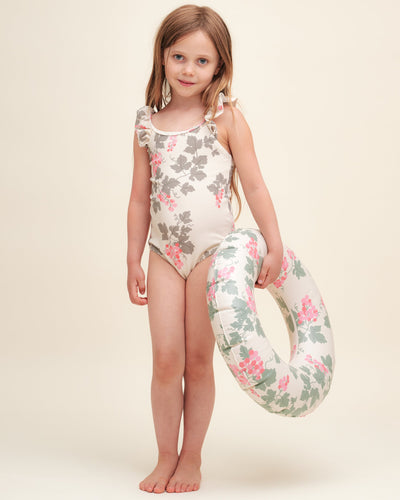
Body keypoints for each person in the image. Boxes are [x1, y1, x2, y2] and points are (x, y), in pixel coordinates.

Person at [127, 4, 283, 494]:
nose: (188, 70)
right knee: (165, 361)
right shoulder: (147, 123)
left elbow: (254, 186)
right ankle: (165, 456)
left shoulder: (226, 118)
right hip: (164, 254)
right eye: (179, 57)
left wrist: (274, 244)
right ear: (163, 57)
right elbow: (139, 198)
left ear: (219, 67)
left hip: (211, 255)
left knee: (198, 361)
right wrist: (132, 258)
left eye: (202, 61)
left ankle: (191, 457)